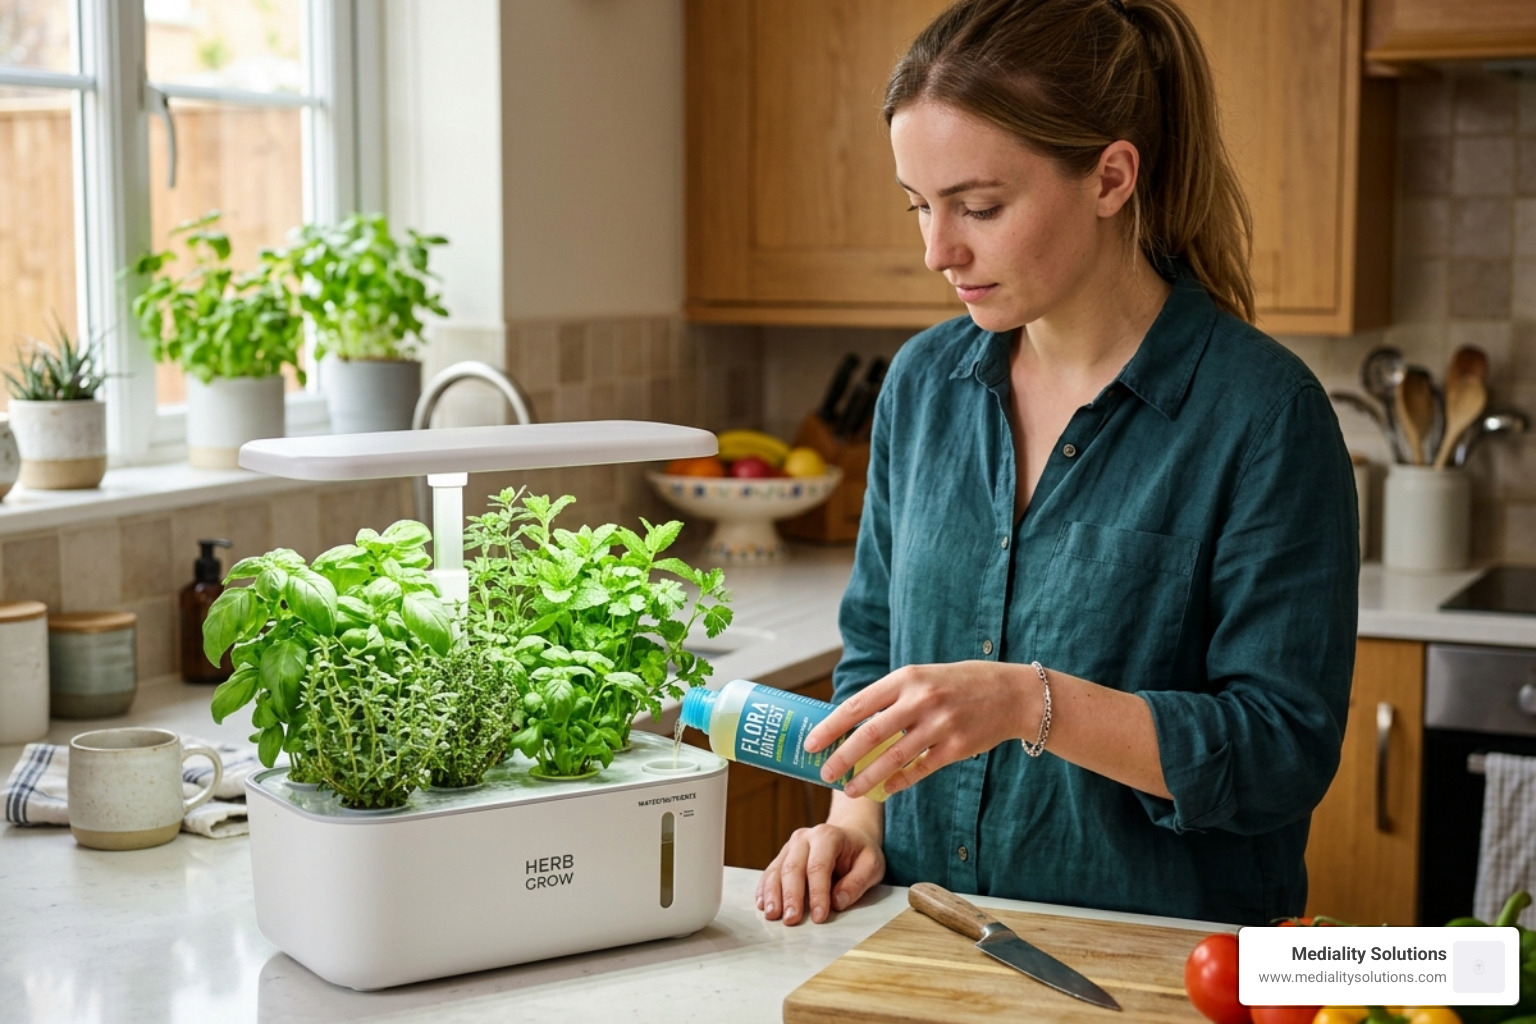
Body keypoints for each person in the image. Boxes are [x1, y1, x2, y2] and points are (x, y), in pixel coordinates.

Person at [755, 0, 1359, 929]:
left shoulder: (1265, 416)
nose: (938, 250)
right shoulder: (921, 384)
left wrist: (1029, 703)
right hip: (925, 936)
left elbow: (1280, 752)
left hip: (1160, 963)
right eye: (920, 206)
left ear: (1111, 178)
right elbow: (877, 645)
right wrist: (854, 819)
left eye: (979, 207)